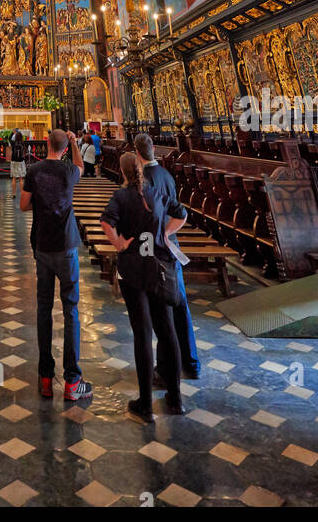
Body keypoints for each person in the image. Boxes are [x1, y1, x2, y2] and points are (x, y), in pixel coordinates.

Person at [101, 151, 185, 422]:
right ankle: (176, 397)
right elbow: (181, 213)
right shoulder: (156, 193)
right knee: (167, 329)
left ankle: (146, 404)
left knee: (142, 334)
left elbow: (106, 221)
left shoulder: (121, 196)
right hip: (158, 265)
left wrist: (119, 244)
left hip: (134, 268)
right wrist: (165, 233)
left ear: (123, 172)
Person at [20, 129, 92, 402]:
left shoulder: (35, 171)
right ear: (64, 147)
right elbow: (80, 165)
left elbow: (23, 206)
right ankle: (73, 382)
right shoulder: (69, 172)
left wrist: (39, 201)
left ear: (46, 143)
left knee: (43, 309)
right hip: (66, 246)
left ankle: (46, 378)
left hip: (42, 245)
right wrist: (75, 143)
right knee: (71, 310)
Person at [134, 133, 201, 379]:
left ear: (138, 154)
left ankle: (165, 368)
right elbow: (179, 211)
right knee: (180, 305)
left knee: (161, 311)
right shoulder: (165, 174)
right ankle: (191, 362)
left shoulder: (145, 180)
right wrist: (168, 233)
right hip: (171, 247)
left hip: (157, 250)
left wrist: (160, 235)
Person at [9, 128, 26, 201]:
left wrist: (13, 132)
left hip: (14, 161)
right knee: (21, 178)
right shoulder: (22, 143)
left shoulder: (13, 143)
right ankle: (22, 193)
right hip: (21, 161)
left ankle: (14, 194)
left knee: (14, 178)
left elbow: (9, 138)